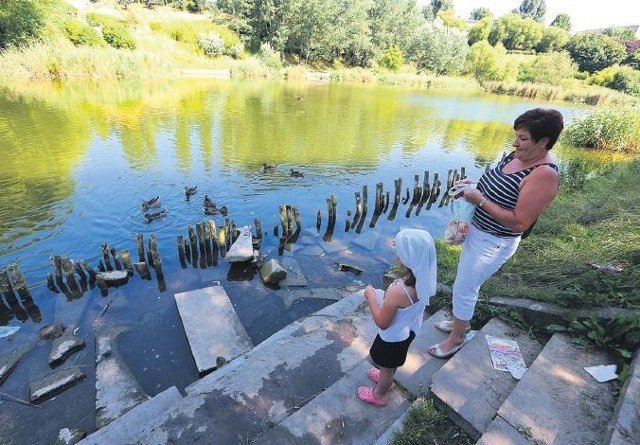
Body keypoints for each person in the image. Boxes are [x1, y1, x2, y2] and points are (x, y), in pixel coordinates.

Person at [428, 108, 564, 359]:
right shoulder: (516, 156)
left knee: (464, 288)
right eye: (516, 136)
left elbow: (520, 222)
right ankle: (462, 323)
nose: (515, 143)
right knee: (466, 284)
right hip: (477, 231)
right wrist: (473, 187)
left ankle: (457, 338)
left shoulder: (544, 174)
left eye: (523, 138)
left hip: (494, 242)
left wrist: (479, 200)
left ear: (543, 141)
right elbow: (497, 188)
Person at [358, 228, 437, 406]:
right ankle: (386, 379)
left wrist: (371, 297)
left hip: (392, 338)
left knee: (386, 368)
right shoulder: (423, 278)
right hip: (408, 331)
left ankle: (380, 394)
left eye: (400, 250)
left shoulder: (398, 291)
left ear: (408, 258)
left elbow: (382, 322)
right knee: (390, 365)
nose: (397, 253)